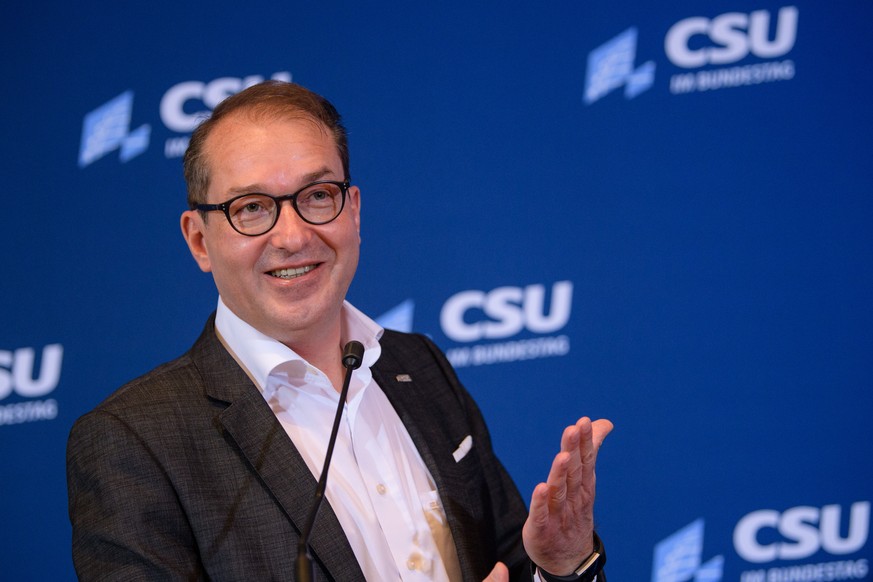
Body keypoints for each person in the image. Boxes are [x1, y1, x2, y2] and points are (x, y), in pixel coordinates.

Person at [66, 80, 613, 581]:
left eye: (317, 196)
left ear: (352, 211)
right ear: (200, 240)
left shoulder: (417, 365)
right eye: (252, 207)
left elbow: (509, 562)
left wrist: (562, 568)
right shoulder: (133, 442)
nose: (293, 236)